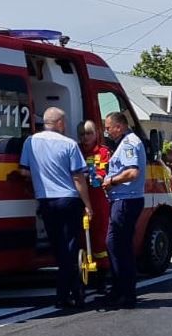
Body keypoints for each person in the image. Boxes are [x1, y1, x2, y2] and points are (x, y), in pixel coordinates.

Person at [19, 107, 93, 308]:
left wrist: (40, 178)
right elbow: (78, 178)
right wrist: (88, 205)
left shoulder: (30, 142)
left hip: (46, 201)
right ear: (60, 123)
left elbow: (24, 172)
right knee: (70, 246)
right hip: (68, 200)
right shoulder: (69, 144)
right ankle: (66, 294)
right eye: (64, 122)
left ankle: (71, 291)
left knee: (58, 248)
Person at [101, 112, 147, 309]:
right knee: (118, 245)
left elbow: (132, 172)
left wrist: (111, 181)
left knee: (117, 245)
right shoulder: (125, 142)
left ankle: (124, 292)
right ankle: (121, 290)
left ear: (119, 126)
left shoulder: (128, 143)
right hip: (124, 199)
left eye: (108, 127)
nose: (107, 131)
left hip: (126, 200)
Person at [78, 120, 111, 290]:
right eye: (82, 134)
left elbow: (104, 172)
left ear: (96, 134)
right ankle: (84, 272)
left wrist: (98, 176)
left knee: (99, 237)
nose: (85, 137)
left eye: (89, 133)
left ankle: (102, 275)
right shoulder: (76, 150)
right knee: (82, 237)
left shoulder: (103, 152)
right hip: (79, 199)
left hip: (98, 199)